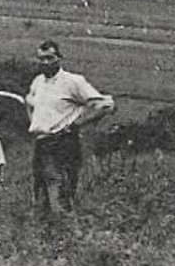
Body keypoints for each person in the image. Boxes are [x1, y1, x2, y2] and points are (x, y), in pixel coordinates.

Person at [25, 39, 114, 217]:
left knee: (59, 193)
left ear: (59, 58)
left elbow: (105, 105)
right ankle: (46, 237)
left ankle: (66, 234)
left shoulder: (72, 81)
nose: (45, 63)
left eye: (49, 58)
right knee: (40, 194)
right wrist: (35, 123)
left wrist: (75, 124)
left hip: (62, 143)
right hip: (41, 144)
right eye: (41, 59)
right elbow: (29, 102)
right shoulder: (38, 82)